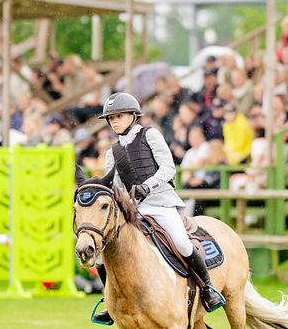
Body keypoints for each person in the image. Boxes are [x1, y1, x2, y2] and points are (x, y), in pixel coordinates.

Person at [81, 92, 225, 325]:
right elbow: (115, 186)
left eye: (119, 116)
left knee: (181, 242)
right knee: (102, 254)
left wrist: (147, 187)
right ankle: (110, 304)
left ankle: (208, 289)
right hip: (134, 211)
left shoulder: (150, 135)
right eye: (111, 118)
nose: (114, 121)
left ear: (133, 115)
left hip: (161, 203)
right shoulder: (112, 153)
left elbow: (169, 168)